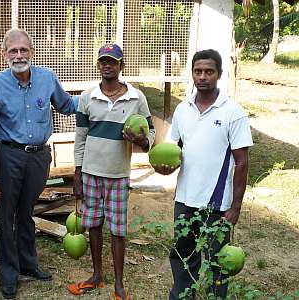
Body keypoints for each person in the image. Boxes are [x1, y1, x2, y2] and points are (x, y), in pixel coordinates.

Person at [154, 49, 253, 299]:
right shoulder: (183, 109)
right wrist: (163, 167)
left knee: (217, 263)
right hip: (185, 199)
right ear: (192, 74)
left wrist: (236, 207)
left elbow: (242, 163)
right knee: (182, 255)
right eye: (198, 71)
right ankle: (182, 295)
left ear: (219, 74)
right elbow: (171, 151)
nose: (203, 76)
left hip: (217, 205)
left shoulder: (233, 112)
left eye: (209, 71)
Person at [0, 28, 77, 299]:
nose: (18, 55)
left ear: (32, 52)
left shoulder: (47, 78)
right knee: (6, 215)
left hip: (39, 157)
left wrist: (100, 100)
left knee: (26, 212)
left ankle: (28, 264)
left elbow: (67, 105)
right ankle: (9, 275)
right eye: (13, 50)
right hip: (9, 156)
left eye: (23, 49)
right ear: (4, 55)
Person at [69, 43, 156, 300]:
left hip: (118, 174)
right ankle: (97, 275)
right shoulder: (87, 97)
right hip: (91, 173)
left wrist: (141, 140)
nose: (108, 65)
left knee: (118, 229)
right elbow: (81, 136)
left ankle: (118, 283)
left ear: (121, 66)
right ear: (98, 65)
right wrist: (77, 172)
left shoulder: (136, 98)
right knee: (93, 225)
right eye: (103, 61)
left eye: (113, 61)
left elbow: (150, 133)